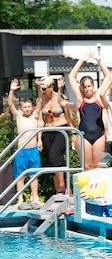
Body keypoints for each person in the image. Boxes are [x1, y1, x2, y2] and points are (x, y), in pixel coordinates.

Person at [63, 51, 111, 171]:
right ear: (82, 89)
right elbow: (71, 77)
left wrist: (99, 61)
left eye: (89, 86)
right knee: (87, 167)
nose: (87, 89)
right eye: (85, 87)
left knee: (98, 166)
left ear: (93, 86)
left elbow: (108, 77)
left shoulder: (99, 96)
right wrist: (81, 60)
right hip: (84, 136)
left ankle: (98, 189)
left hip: (99, 135)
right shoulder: (80, 100)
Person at [8, 79, 42, 210]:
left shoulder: (34, 115)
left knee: (34, 176)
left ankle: (35, 197)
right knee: (20, 176)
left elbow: (39, 101)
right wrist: (12, 90)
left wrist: (38, 87)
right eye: (25, 107)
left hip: (33, 150)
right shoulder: (19, 117)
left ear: (31, 107)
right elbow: (10, 104)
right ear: (21, 108)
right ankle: (20, 199)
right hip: (21, 151)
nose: (27, 109)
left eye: (29, 106)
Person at [38, 76, 71, 194]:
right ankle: (58, 190)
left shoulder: (60, 97)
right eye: (41, 89)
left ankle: (62, 186)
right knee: (53, 160)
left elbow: (68, 116)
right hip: (48, 131)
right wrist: (39, 138)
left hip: (61, 129)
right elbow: (40, 120)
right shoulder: (41, 100)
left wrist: (74, 132)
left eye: (45, 89)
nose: (43, 91)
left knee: (54, 156)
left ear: (51, 87)